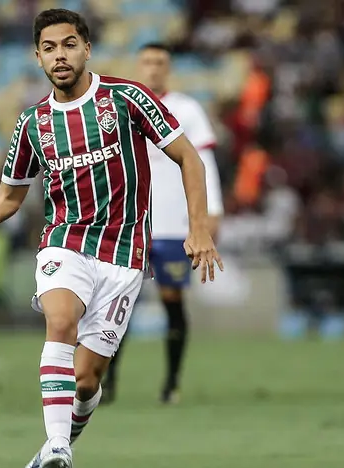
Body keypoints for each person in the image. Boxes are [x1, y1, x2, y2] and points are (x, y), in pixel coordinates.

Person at [0, 9, 222, 468]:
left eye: (69, 44)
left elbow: (189, 157)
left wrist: (199, 228)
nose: (60, 55)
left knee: (86, 382)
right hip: (65, 243)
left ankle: (46, 458)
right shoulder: (33, 123)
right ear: (37, 57)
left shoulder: (127, 98)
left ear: (86, 48)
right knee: (61, 321)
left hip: (124, 256)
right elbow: (6, 198)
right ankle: (57, 447)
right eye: (49, 48)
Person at [101, 43, 224, 406]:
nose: (153, 68)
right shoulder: (121, 106)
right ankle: (107, 382)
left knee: (172, 301)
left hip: (172, 225)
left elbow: (203, 162)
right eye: (147, 62)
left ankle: (171, 382)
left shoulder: (187, 109)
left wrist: (211, 213)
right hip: (130, 224)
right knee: (118, 305)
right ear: (138, 66)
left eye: (160, 62)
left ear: (168, 68)